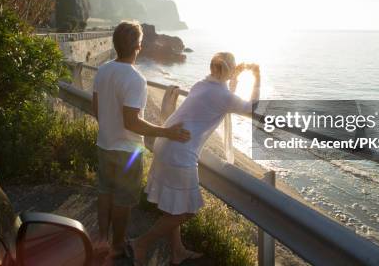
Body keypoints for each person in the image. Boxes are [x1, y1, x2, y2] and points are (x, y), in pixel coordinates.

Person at [130, 52, 260, 265]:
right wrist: (257, 75)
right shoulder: (222, 95)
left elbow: (222, 98)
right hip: (179, 153)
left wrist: (232, 80)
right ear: (228, 70)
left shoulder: (202, 84)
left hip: (166, 143)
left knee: (175, 207)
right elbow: (252, 107)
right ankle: (141, 243)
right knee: (187, 211)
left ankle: (177, 251)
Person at [92, 21, 191, 262]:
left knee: (105, 193)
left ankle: (103, 239)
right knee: (123, 201)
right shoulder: (136, 79)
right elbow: (132, 122)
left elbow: (96, 109)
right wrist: (166, 132)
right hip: (127, 151)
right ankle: (116, 246)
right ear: (138, 45)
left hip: (104, 144)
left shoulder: (103, 70)